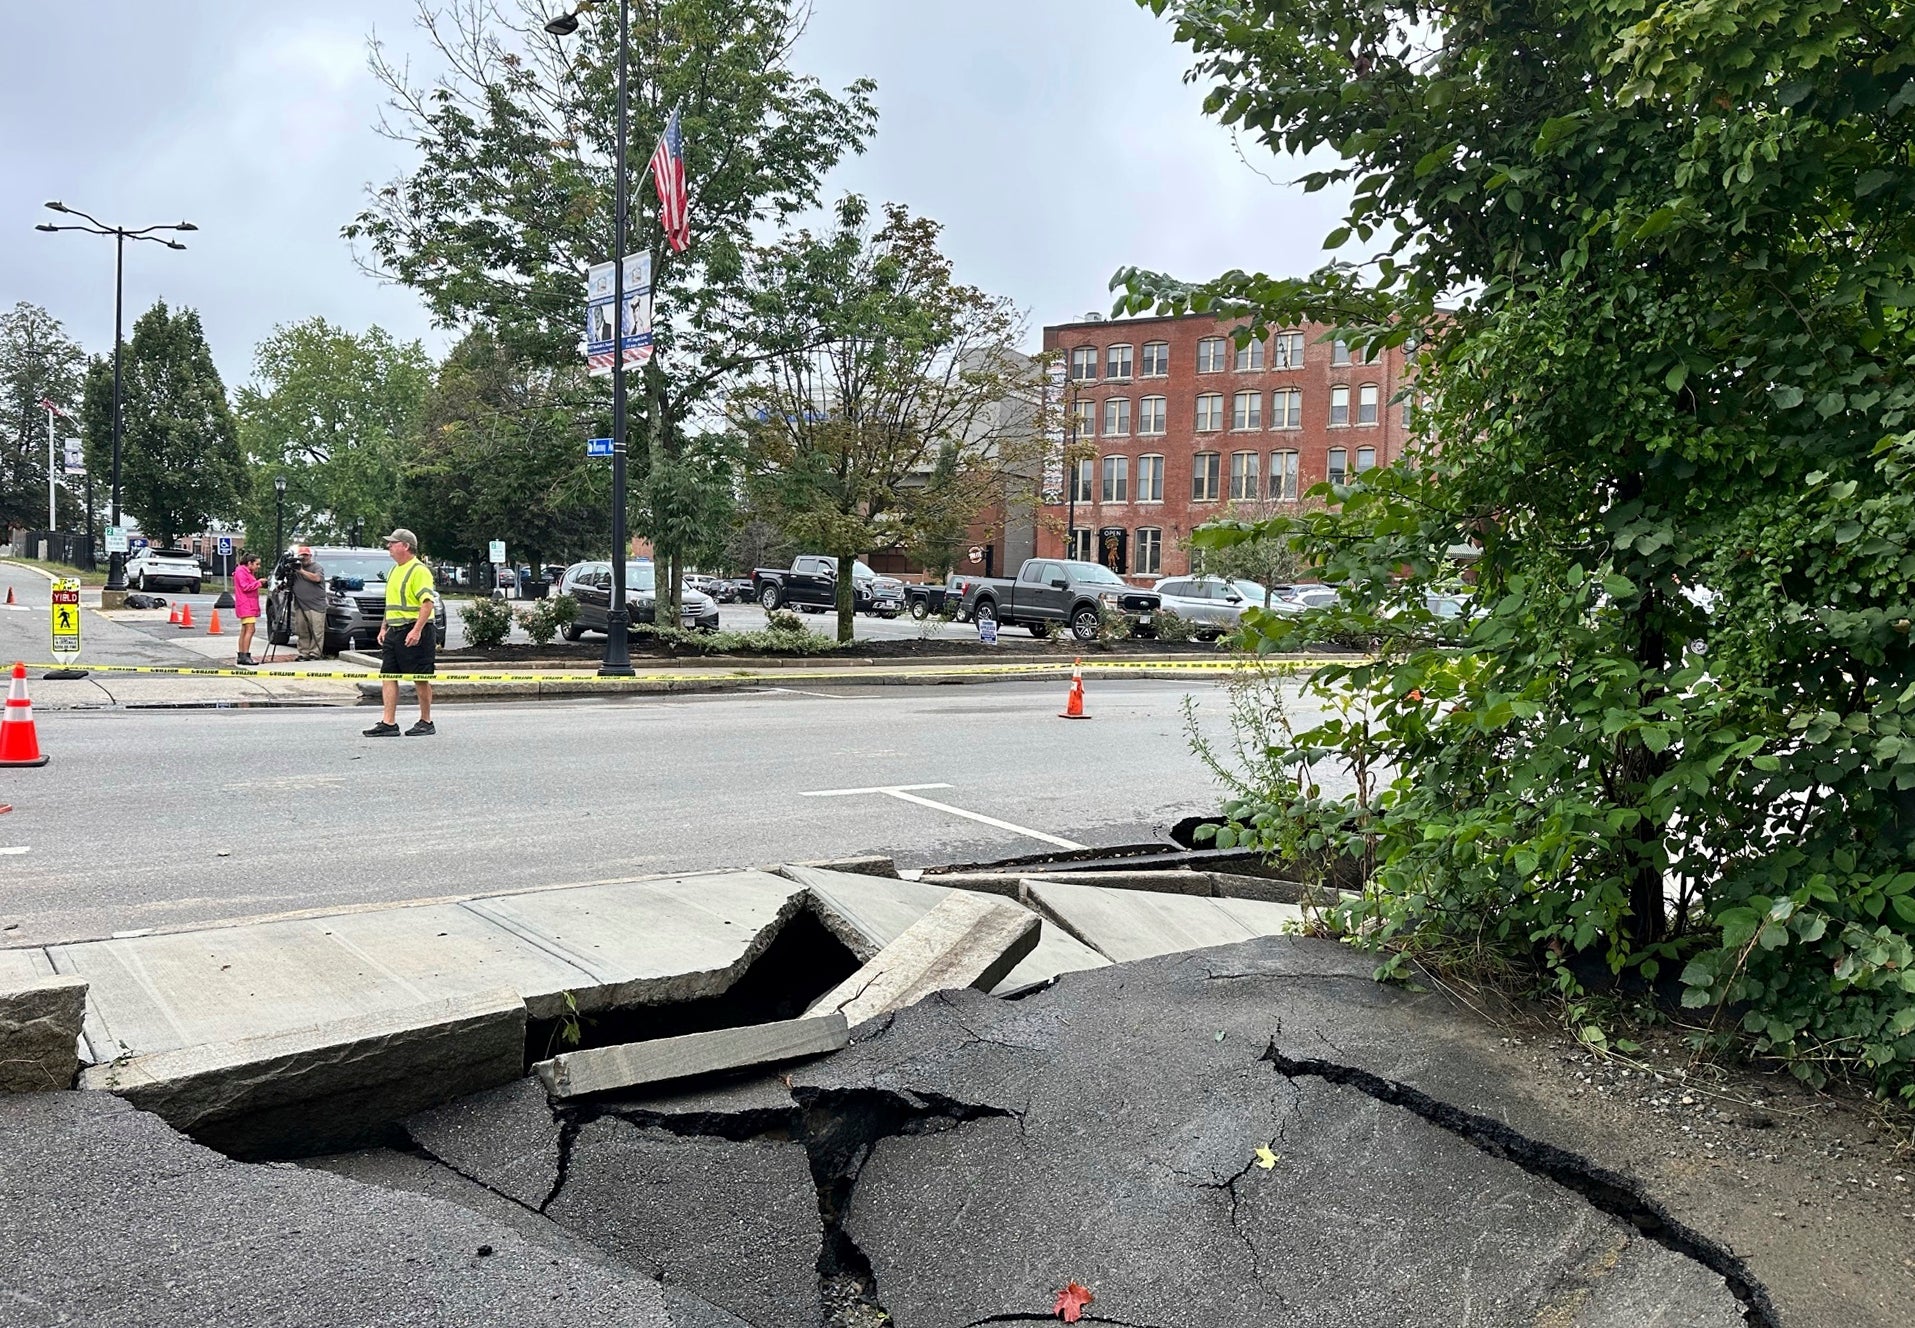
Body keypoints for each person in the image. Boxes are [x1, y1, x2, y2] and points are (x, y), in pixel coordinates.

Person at [364, 528, 437, 738]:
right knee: (388, 675)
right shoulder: (394, 570)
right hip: (395, 631)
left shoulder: (419, 570)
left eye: (393, 543)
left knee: (420, 678)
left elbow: (427, 604)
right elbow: (391, 603)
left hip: (415, 630)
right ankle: (388, 722)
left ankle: (426, 720)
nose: (389, 546)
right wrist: (383, 627)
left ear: (405, 546)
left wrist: (416, 630)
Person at [289, 545, 328, 660]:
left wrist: (301, 571)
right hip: (300, 605)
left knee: (317, 631)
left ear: (310, 556)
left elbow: (316, 578)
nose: (304, 558)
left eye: (306, 555)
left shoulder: (317, 567)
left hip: (316, 605)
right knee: (302, 631)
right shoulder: (295, 568)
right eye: (301, 555)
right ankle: (303, 653)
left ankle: (315, 653)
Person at [233, 552, 264, 667]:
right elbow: (245, 587)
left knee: (245, 630)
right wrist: (258, 583)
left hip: (246, 605)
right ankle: (245, 655)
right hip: (246, 605)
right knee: (250, 630)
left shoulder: (244, 571)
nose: (258, 567)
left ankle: (242, 654)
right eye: (257, 564)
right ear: (249, 563)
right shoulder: (241, 572)